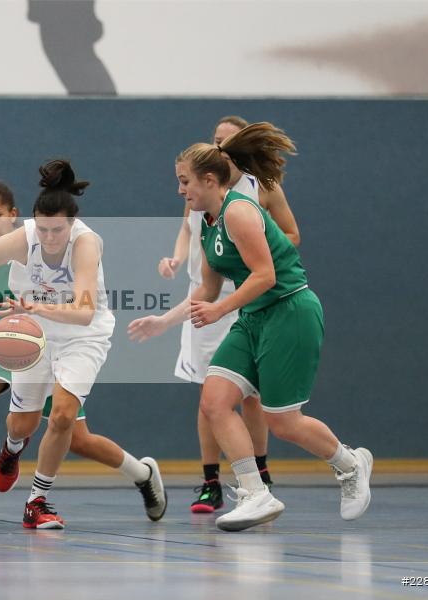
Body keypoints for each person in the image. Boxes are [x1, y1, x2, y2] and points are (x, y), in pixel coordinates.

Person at [129, 123, 372, 531]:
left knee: (283, 422)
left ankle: (350, 465)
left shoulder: (239, 212)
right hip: (253, 317)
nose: (179, 190)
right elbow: (205, 289)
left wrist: (222, 309)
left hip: (289, 311)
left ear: (210, 180)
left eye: (184, 181)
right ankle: (256, 493)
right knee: (215, 400)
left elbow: (265, 276)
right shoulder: (205, 222)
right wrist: (164, 322)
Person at [0, 180, 167, 526]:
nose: (49, 237)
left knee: (62, 420)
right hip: (30, 334)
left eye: (57, 230)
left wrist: (37, 306)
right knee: (24, 424)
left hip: (82, 336)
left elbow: (84, 312)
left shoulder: (86, 243)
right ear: (31, 223)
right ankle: (13, 447)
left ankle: (37, 501)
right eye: (42, 229)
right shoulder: (24, 237)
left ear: (72, 224)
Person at [157, 115, 301, 513]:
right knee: (212, 395)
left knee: (257, 401)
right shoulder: (199, 192)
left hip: (252, 297)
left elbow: (288, 238)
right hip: (209, 298)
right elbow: (190, 233)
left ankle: (259, 475)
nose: (219, 145)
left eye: (226, 140)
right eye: (215, 139)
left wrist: (257, 259)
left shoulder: (256, 193)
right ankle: (211, 480)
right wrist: (176, 261)